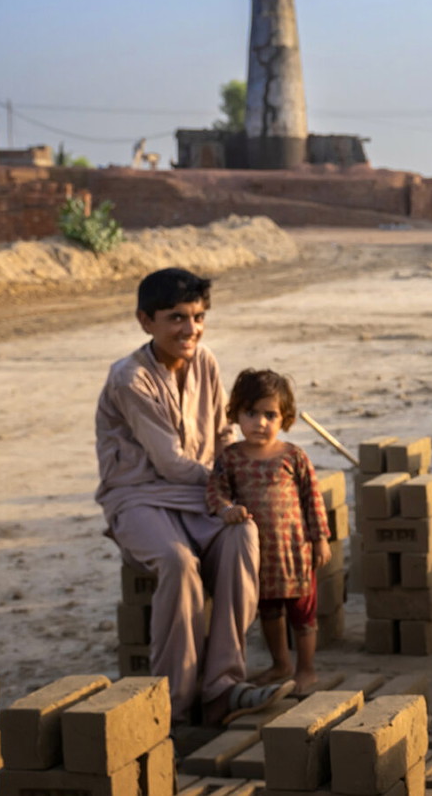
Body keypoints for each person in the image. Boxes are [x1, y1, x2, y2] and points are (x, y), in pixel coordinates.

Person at [95, 268, 292, 725]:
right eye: (177, 318)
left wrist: (241, 476)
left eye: (198, 317)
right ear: (146, 321)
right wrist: (234, 480)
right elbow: (169, 463)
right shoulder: (129, 379)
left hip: (201, 493)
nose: (190, 329)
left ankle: (222, 685)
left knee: (243, 536)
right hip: (140, 498)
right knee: (178, 562)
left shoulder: (205, 361)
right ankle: (175, 705)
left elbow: (222, 435)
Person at [207, 369, 331, 696]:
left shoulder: (294, 456)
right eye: (251, 413)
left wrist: (320, 539)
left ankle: (306, 669)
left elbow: (313, 499)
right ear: (235, 414)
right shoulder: (231, 458)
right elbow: (216, 491)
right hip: (259, 556)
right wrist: (226, 509)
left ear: (285, 418)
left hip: (295, 553)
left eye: (270, 415)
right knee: (270, 611)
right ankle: (281, 664)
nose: (260, 422)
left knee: (302, 614)